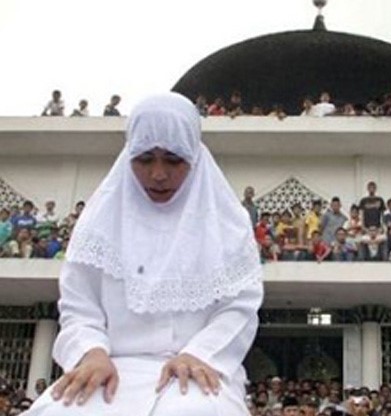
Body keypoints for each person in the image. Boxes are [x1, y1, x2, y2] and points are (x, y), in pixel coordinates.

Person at [24, 93, 263, 415]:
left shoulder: (228, 224)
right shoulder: (99, 221)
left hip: (198, 366)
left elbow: (239, 308)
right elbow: (79, 306)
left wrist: (200, 353)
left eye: (174, 160)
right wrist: (91, 352)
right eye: (145, 159)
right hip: (111, 365)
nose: (158, 174)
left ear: (193, 157)